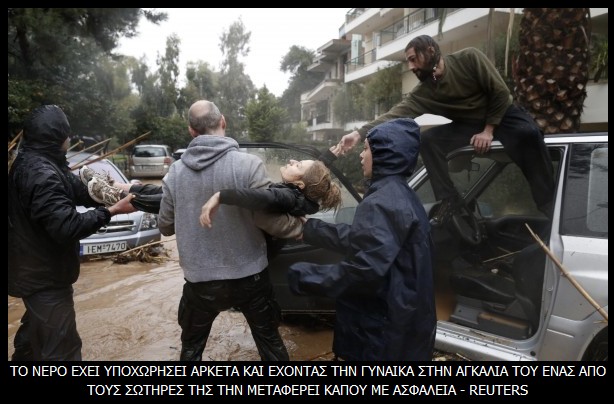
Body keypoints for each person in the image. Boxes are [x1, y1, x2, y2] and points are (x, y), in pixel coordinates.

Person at [338, 34, 555, 224]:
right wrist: (359, 134)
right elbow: (396, 113)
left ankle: (549, 204)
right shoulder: (426, 90)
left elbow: (499, 92)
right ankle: (449, 200)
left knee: (529, 134)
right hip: (468, 126)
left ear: (430, 51)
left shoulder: (469, 58)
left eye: (414, 59)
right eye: (408, 62)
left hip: (503, 114)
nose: (411, 67)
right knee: (429, 141)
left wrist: (488, 131)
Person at [157, 100, 303, 361]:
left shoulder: (175, 173)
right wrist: (303, 227)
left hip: (200, 283)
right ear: (223, 121)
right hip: (251, 279)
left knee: (191, 350)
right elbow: (269, 221)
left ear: (191, 131)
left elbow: (165, 226)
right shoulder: (249, 165)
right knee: (270, 344)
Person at [288, 118, 436, 361]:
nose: (361, 156)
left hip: (382, 328)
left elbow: (364, 270)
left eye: (366, 149)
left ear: (385, 154)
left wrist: (305, 276)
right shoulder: (400, 193)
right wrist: (312, 229)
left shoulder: (381, 202)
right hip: (405, 318)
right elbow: (367, 241)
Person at [8, 105, 137, 361]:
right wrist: (111, 211)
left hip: (32, 272)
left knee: (32, 343)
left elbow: (77, 189)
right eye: (66, 133)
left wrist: (117, 191)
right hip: (45, 279)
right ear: (58, 137)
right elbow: (67, 227)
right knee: (63, 353)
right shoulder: (42, 174)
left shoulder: (33, 161)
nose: (69, 138)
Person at [199, 154, 343, 229]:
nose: (292, 160)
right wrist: (329, 155)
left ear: (299, 183)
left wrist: (221, 196)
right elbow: (312, 175)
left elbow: (262, 197)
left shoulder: (287, 196)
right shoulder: (300, 197)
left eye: (298, 165)